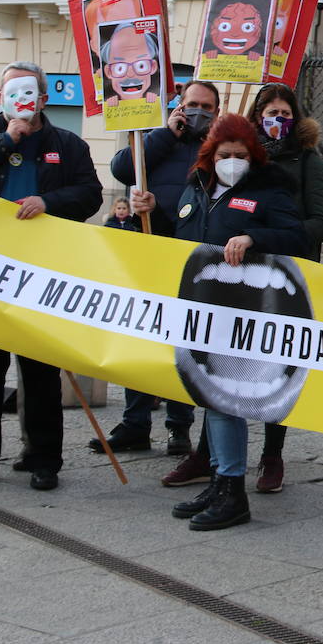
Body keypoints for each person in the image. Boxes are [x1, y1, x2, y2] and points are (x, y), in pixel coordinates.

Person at [133, 113, 308, 531]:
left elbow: (297, 235)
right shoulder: (197, 186)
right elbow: (181, 235)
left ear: (253, 156)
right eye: (225, 154)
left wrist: (253, 238)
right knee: (208, 398)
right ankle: (218, 479)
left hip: (241, 308)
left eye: (241, 155)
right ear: (211, 156)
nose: (233, 161)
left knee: (224, 398)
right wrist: (151, 213)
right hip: (199, 306)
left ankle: (233, 490)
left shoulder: (270, 188)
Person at [0, 62, 103, 492]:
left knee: (40, 371)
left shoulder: (66, 144)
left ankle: (43, 458)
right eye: (10, 93)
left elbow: (89, 194)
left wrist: (48, 201)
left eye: (29, 93)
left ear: (44, 99)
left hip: (40, 274)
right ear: (0, 98)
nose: (21, 102)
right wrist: (5, 139)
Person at [98, 79, 220, 462]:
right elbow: (123, 167)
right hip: (145, 251)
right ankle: (134, 422)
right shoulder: (159, 139)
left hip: (185, 254)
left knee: (180, 346)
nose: (198, 111)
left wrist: (163, 209)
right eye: (192, 104)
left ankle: (178, 426)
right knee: (141, 339)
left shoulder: (217, 150)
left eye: (207, 106)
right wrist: (164, 134)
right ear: (179, 106)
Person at [245, 81, 323, 492]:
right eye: (269, 114)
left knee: (275, 368)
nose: (276, 121)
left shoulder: (308, 162)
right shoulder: (239, 157)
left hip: (286, 278)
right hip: (237, 272)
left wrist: (274, 238)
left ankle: (272, 455)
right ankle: (206, 453)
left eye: (284, 114)